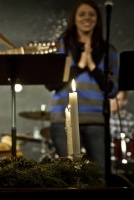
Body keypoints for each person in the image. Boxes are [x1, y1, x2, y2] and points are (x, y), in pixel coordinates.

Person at [45, 0, 119, 176]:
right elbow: (51, 83)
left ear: (98, 19)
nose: (87, 17)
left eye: (92, 14)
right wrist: (79, 65)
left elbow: (112, 89)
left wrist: (92, 65)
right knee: (69, 173)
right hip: (63, 117)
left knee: (100, 173)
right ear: (75, 19)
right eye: (82, 14)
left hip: (96, 119)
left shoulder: (109, 50)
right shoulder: (61, 46)